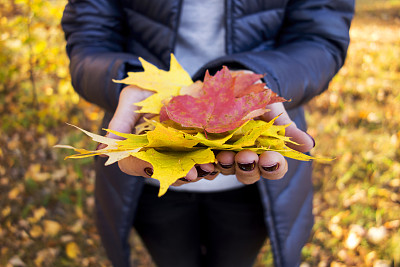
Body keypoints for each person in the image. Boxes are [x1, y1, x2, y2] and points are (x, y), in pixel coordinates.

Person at [61, 1, 354, 266]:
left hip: (253, 182)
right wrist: (126, 80)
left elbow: (320, 38)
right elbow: (89, 39)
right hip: (150, 167)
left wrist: (253, 79)